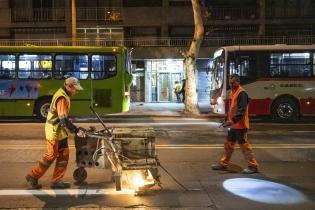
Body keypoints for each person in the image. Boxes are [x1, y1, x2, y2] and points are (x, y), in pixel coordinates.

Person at [25, 77, 86, 189]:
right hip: (54, 131)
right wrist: (76, 130)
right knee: (50, 156)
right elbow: (63, 119)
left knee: (64, 155)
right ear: (69, 86)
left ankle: (57, 181)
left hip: (60, 132)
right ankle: (33, 176)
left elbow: (63, 118)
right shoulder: (62, 98)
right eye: (75, 89)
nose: (76, 91)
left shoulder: (64, 94)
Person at [211, 74, 259, 174]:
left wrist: (231, 121)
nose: (231, 84)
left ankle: (253, 166)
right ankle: (224, 164)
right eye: (230, 83)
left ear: (238, 81)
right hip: (233, 125)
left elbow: (241, 111)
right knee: (228, 145)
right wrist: (227, 120)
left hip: (241, 126)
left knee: (245, 147)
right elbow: (232, 109)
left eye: (233, 82)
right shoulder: (233, 92)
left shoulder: (242, 93)